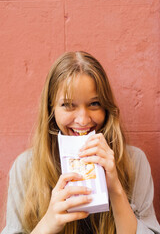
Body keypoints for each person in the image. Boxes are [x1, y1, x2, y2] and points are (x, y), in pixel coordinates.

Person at [2, 51, 160, 234]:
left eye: (94, 104)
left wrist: (116, 189)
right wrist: (48, 222)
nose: (83, 120)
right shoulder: (26, 168)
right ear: (51, 108)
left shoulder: (134, 161)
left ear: (106, 108)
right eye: (68, 105)